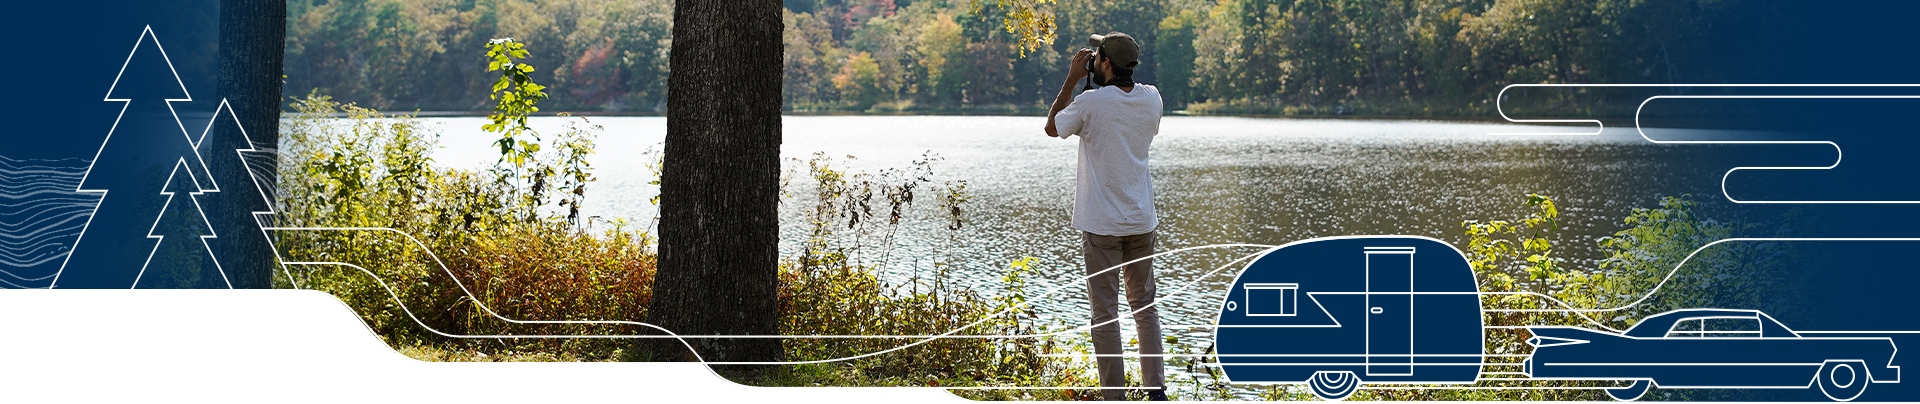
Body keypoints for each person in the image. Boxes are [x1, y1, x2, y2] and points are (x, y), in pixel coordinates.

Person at [1043, 31, 1167, 401]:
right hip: (1141, 221)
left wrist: (1071, 79)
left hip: (1102, 227)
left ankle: (1114, 396)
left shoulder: (1090, 102)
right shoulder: (1152, 98)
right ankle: (1155, 390)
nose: (1092, 61)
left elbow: (1052, 128)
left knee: (1105, 313)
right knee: (1145, 307)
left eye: (1096, 56)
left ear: (1106, 63)